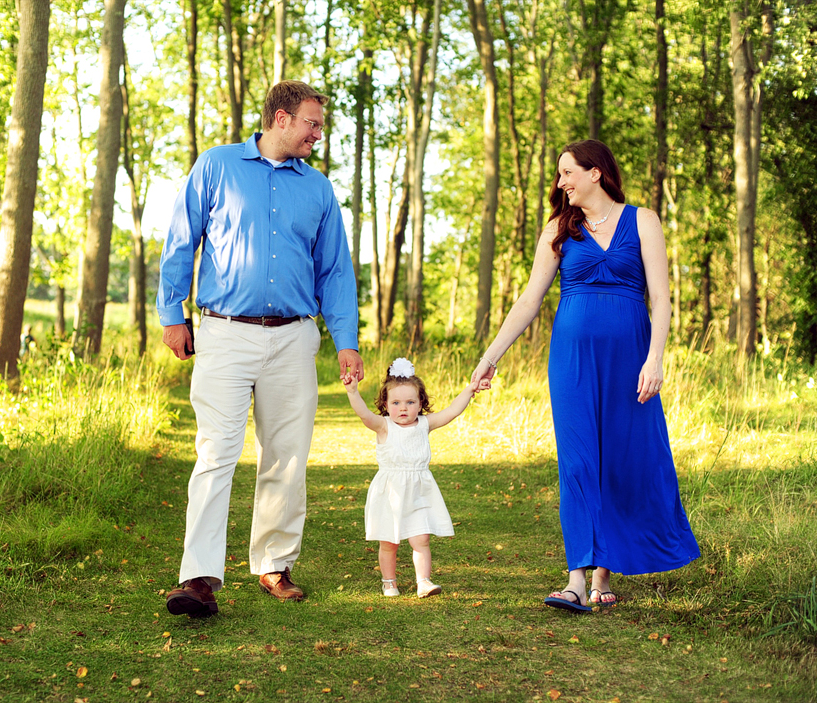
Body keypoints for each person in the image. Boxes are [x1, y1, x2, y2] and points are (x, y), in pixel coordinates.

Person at [157, 80, 363, 618]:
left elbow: (336, 270)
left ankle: (274, 564)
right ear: (280, 118)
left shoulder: (318, 189)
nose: (319, 134)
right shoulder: (217, 165)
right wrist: (171, 314)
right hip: (224, 331)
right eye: (312, 123)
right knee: (216, 453)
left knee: (287, 456)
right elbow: (182, 240)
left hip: (294, 336)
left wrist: (346, 341)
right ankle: (199, 577)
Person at [471, 139, 699, 613]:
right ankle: (576, 577)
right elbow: (530, 300)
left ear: (596, 173)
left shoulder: (643, 221)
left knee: (618, 459)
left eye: (568, 172)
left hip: (631, 358)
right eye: (559, 175)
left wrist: (655, 358)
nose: (561, 183)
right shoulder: (559, 228)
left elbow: (661, 298)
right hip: (572, 360)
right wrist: (491, 355)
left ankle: (603, 573)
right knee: (577, 462)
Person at [342, 358, 483, 598]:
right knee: (389, 542)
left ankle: (424, 581)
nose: (403, 408)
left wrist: (469, 390)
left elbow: (451, 412)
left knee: (421, 538)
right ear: (386, 404)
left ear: (420, 404)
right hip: (391, 493)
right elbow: (365, 415)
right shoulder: (384, 426)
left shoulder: (424, 425)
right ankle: (389, 582)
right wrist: (353, 392)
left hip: (419, 492)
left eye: (410, 402)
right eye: (396, 402)